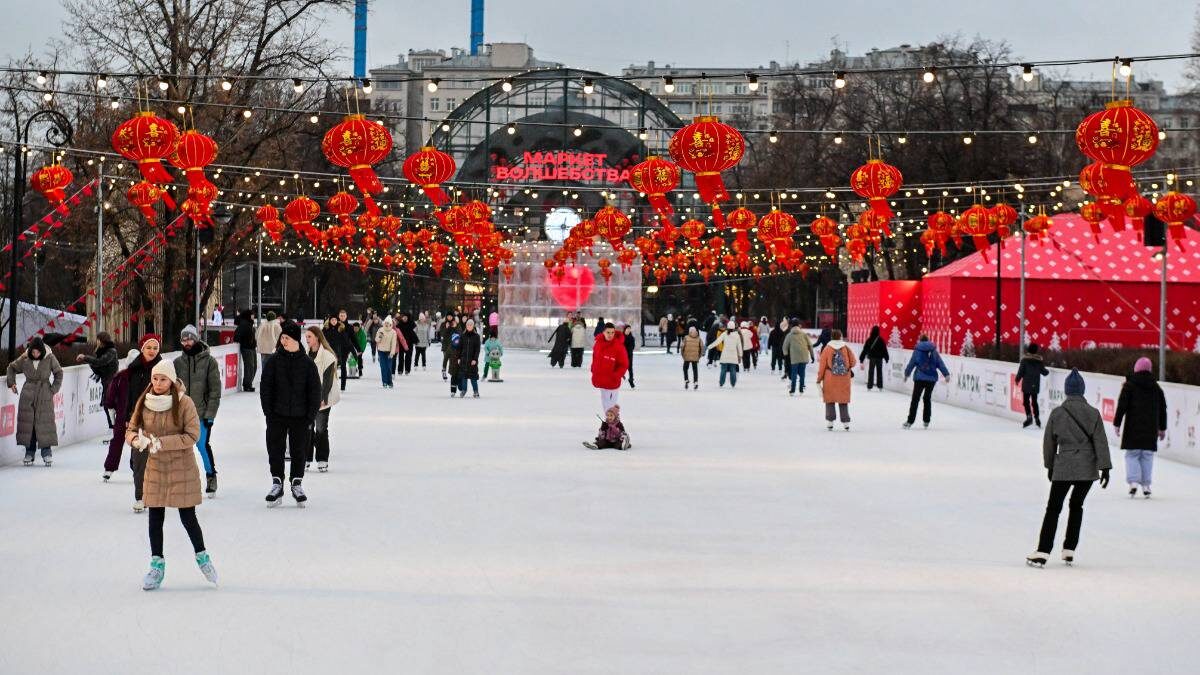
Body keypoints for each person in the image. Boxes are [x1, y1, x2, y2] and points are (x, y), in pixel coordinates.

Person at [127, 359, 216, 591]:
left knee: (188, 517)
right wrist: (137, 440)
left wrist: (161, 443)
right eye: (155, 379)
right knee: (155, 517)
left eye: (163, 379)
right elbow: (131, 429)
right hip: (156, 467)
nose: (158, 383)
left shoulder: (185, 403)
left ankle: (203, 557)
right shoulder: (145, 401)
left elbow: (192, 435)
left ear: (172, 380)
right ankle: (156, 566)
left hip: (181, 467)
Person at [1027, 369, 1111, 567]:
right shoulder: (1093, 413)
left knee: (1054, 508)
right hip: (1087, 468)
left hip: (1064, 466)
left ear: (1066, 390)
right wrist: (1105, 468)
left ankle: (1043, 551)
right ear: (1082, 390)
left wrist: (1050, 466)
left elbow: (1049, 443)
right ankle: (1069, 549)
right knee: (1076, 505)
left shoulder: (1058, 413)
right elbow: (1101, 442)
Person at [259, 321, 321, 507]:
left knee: (299, 451)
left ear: (295, 339)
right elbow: (265, 388)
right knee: (275, 450)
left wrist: (310, 416)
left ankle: (296, 483)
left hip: (300, 416)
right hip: (277, 415)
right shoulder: (273, 361)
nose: (283, 341)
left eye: (286, 338)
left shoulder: (308, 364)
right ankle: (277, 483)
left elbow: (315, 392)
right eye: (282, 338)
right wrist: (268, 412)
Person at [106, 334, 163, 510]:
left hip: (159, 420)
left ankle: (156, 492)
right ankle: (141, 497)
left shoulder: (163, 369)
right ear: (142, 349)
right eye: (148, 348)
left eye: (155, 348)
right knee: (139, 460)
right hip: (137, 421)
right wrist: (127, 418)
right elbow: (127, 398)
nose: (152, 351)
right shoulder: (132, 371)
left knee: (156, 459)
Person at [174, 325, 223, 497]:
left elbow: (215, 391)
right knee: (180, 448)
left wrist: (210, 415)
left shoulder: (209, 362)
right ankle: (181, 480)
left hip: (201, 414)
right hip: (181, 415)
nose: (187, 343)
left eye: (190, 339)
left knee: (201, 445)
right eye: (184, 340)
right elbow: (172, 391)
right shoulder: (177, 363)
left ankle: (211, 476)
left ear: (196, 339)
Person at [1114, 357, 1168, 498]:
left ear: (1136, 369)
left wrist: (1117, 423)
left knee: (1132, 455)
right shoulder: (1156, 388)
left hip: (1133, 428)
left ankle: (1133, 482)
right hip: (1150, 429)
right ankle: (1146, 485)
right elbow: (1163, 409)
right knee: (1147, 456)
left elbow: (1122, 406)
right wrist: (1162, 428)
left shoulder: (1129, 386)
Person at [7, 337, 63, 467]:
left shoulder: (49, 357)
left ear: (42, 351)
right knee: (29, 424)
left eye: (38, 352)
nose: (35, 354)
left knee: (45, 423)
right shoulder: (25, 358)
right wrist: (12, 383)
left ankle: (46, 452)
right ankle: (29, 452)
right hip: (28, 394)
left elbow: (59, 373)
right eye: (33, 352)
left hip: (44, 393)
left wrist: (53, 390)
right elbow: (11, 368)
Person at [304, 326, 340, 472]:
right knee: (307, 428)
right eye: (306, 337)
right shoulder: (305, 354)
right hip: (307, 398)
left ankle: (322, 458)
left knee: (320, 428)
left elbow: (328, 380)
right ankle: (306, 458)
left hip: (322, 398)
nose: (307, 339)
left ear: (317, 337)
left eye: (309, 336)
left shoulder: (327, 356)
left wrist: (322, 398)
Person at [902, 335, 951, 429]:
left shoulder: (917, 350)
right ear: (928, 341)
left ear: (920, 341)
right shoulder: (934, 351)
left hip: (919, 378)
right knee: (927, 398)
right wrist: (946, 374)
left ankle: (910, 421)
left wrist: (906, 374)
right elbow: (940, 363)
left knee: (915, 399)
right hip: (931, 379)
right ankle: (926, 420)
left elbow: (912, 363)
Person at [815, 329, 856, 430]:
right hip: (844, 378)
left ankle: (830, 422)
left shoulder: (827, 348)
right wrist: (847, 367)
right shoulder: (846, 347)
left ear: (832, 337)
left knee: (830, 399)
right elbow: (853, 362)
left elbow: (822, 366)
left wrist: (819, 379)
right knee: (843, 400)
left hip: (830, 378)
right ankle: (846, 423)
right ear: (840, 336)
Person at [78, 331, 119, 426]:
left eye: (98, 340)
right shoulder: (101, 351)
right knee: (107, 405)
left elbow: (100, 362)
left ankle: (116, 426)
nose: (97, 342)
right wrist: (89, 361)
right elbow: (97, 366)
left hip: (112, 383)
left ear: (101, 340)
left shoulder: (111, 351)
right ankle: (114, 426)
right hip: (106, 382)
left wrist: (85, 357)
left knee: (110, 405)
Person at [591, 322, 629, 414]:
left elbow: (624, 364)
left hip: (612, 381)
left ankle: (613, 422)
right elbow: (595, 359)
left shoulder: (618, 346)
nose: (610, 335)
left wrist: (616, 375)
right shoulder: (598, 344)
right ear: (603, 332)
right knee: (605, 404)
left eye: (612, 332)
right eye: (608, 332)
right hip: (601, 380)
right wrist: (593, 370)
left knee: (610, 407)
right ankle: (608, 422)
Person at [1015, 343, 1051, 428]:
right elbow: (1044, 372)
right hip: (1035, 384)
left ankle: (1029, 416)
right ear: (1036, 351)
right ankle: (1037, 418)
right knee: (1034, 402)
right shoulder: (1038, 361)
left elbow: (1021, 371)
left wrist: (1017, 379)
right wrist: (1048, 371)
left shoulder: (1024, 360)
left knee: (1026, 401)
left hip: (1026, 384)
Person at [326, 310, 359, 392]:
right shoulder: (335, 324)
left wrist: (358, 349)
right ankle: (330, 385)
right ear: (339, 316)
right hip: (335, 349)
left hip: (345, 349)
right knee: (333, 367)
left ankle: (342, 386)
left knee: (343, 366)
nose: (342, 317)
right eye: (341, 315)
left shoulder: (349, 327)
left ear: (346, 316)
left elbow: (353, 339)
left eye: (344, 315)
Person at [706, 320, 745, 388]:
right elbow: (739, 346)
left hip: (725, 355)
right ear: (734, 327)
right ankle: (733, 383)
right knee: (733, 370)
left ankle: (721, 383)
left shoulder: (724, 334)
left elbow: (717, 341)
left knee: (723, 370)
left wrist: (709, 346)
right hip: (733, 356)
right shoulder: (737, 335)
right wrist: (740, 355)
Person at [782, 324, 814, 395]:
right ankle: (801, 390)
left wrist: (786, 355)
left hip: (794, 357)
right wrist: (812, 356)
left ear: (792, 326)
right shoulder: (804, 334)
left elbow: (784, 346)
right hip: (803, 356)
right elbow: (810, 345)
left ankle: (792, 390)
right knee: (802, 373)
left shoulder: (789, 335)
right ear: (799, 326)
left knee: (794, 373)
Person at [859, 325, 890, 391]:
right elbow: (884, 350)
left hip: (872, 358)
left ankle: (869, 386)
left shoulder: (869, 339)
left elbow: (865, 350)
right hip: (879, 358)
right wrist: (886, 358)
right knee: (879, 372)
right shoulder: (881, 340)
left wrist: (861, 359)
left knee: (871, 372)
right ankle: (880, 386)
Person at [233, 310, 257, 392]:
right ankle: (247, 385)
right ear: (248, 316)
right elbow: (237, 335)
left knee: (253, 366)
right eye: (252, 315)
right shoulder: (244, 324)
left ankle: (249, 383)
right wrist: (244, 342)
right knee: (249, 367)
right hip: (247, 348)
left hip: (252, 347)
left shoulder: (250, 323)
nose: (253, 316)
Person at [457, 318, 482, 398]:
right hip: (464, 360)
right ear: (466, 326)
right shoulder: (463, 336)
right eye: (468, 325)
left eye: (471, 325)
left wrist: (475, 359)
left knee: (473, 377)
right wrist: (459, 358)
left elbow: (477, 349)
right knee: (464, 377)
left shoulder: (476, 336)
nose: (469, 326)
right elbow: (459, 348)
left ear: (473, 326)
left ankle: (476, 391)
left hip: (472, 361)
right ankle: (464, 390)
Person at [374, 316, 397, 388]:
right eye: (385, 323)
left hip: (389, 352)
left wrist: (392, 353)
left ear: (390, 324)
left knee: (389, 367)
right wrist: (380, 336)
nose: (386, 324)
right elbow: (376, 340)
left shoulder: (393, 332)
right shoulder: (380, 330)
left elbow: (393, 343)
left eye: (388, 323)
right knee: (383, 367)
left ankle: (390, 382)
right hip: (381, 351)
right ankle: (384, 382)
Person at [440, 315, 459, 380]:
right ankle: (444, 371)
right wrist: (446, 328)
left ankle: (451, 372)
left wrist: (455, 327)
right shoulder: (444, 324)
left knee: (452, 360)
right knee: (445, 358)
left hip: (453, 346)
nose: (450, 318)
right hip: (446, 345)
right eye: (448, 316)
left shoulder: (457, 326)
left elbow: (459, 334)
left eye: (451, 316)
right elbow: (443, 334)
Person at [622, 323, 636, 388]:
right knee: (622, 367)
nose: (628, 330)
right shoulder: (621, 337)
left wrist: (630, 351)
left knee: (630, 368)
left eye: (629, 329)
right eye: (627, 329)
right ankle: (621, 374)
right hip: (622, 355)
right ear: (625, 330)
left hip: (629, 355)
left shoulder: (632, 338)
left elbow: (633, 346)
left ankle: (631, 380)